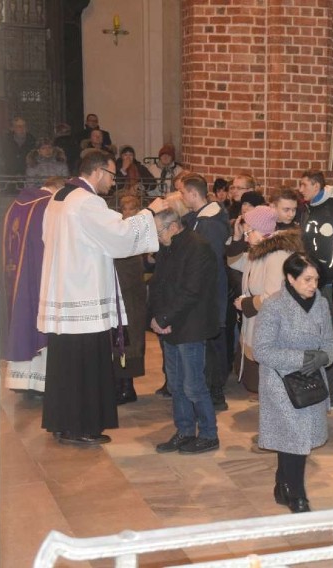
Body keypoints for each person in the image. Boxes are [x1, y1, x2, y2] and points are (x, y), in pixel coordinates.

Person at [38, 150, 166, 446]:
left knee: (65, 364)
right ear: (96, 172)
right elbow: (120, 236)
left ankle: (62, 422)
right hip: (84, 296)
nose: (113, 181)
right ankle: (83, 426)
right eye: (111, 174)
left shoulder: (60, 199)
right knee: (86, 364)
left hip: (65, 292)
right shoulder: (87, 202)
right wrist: (150, 213)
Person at [254, 253, 333, 513]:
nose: (313, 285)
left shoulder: (321, 304)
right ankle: (297, 493)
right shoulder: (274, 306)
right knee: (295, 438)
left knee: (292, 437)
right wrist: (302, 358)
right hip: (281, 382)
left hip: (311, 381)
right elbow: (262, 350)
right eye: (307, 279)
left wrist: (325, 356)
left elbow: (329, 340)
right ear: (291, 278)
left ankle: (283, 486)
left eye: (316, 279)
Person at [150, 209, 220, 455]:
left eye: (158, 232)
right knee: (177, 385)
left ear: (172, 227)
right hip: (169, 325)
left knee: (193, 385)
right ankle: (185, 431)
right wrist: (157, 318)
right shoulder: (167, 247)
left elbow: (192, 290)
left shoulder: (197, 247)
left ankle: (209, 434)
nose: (156, 237)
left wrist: (166, 317)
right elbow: (158, 284)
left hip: (190, 325)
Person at [1, 176, 66, 396]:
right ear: (57, 188)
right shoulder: (45, 205)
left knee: (22, 321)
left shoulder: (17, 204)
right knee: (37, 323)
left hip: (18, 278)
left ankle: (24, 382)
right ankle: (40, 384)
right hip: (37, 278)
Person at [227, 206, 303, 392]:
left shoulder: (277, 255)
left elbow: (274, 296)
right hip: (257, 325)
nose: (246, 237)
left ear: (263, 230)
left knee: (273, 386)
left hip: (272, 330)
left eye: (248, 232)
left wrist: (245, 304)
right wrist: (236, 237)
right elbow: (233, 261)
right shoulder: (258, 251)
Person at [180, 173, 231, 411]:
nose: (181, 197)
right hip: (204, 291)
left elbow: (207, 262)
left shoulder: (210, 223)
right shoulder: (197, 219)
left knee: (212, 343)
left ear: (192, 193)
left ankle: (215, 391)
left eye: (182, 192)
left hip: (209, 291)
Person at [298, 169, 333, 408]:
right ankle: (315, 390)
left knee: (327, 337)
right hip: (309, 281)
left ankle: (332, 395)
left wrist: (318, 277)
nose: (301, 189)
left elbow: (332, 252)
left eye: (304, 184)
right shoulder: (310, 209)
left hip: (324, 283)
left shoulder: (332, 211)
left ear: (317, 186)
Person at [113, 195, 149, 405]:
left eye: (133, 208)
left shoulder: (134, 241)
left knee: (130, 343)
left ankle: (127, 387)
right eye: (125, 209)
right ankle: (120, 385)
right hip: (121, 301)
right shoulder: (120, 237)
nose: (129, 213)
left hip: (132, 302)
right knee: (120, 343)